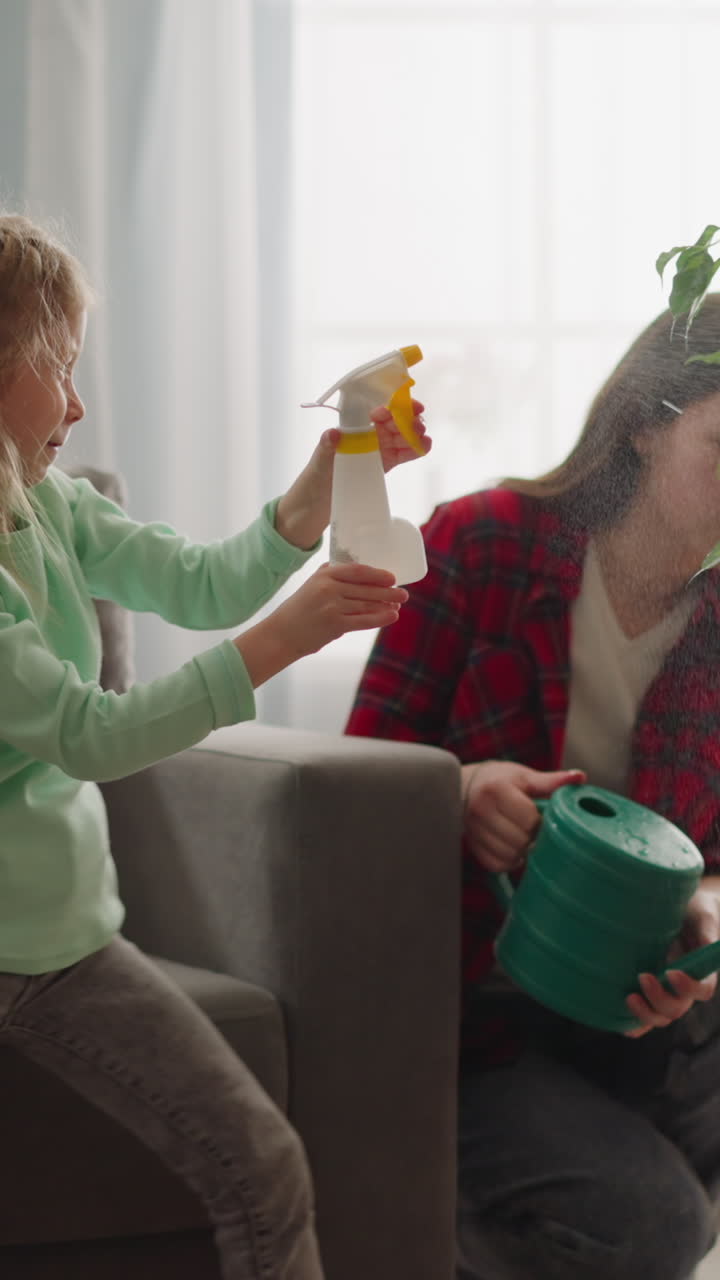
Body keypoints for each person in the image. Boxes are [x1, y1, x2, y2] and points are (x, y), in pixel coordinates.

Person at [0, 212, 430, 1280]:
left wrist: (327, 476)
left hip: (58, 942)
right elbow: (90, 733)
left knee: (264, 1166)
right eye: (59, 370)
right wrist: (288, 637)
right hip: (28, 952)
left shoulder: (48, 505)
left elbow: (199, 581)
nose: (81, 404)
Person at [346, 295, 720, 1280]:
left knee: (657, 1216)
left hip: (651, 1021)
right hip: (477, 1020)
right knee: (656, 1226)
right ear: (645, 421)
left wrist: (706, 912)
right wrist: (460, 790)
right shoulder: (483, 545)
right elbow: (346, 798)